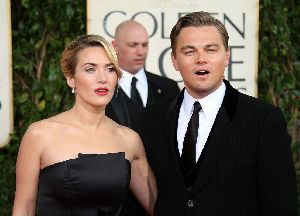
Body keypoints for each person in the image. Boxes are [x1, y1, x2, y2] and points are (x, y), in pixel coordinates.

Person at [143, 11, 297, 215]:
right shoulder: (153, 119)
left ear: (227, 56)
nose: (201, 59)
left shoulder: (263, 119)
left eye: (211, 50)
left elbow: (281, 206)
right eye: (189, 51)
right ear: (174, 60)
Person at [12, 34, 157, 216]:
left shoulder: (129, 139)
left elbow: (159, 207)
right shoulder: (40, 134)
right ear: (71, 79)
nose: (102, 78)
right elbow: (23, 209)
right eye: (90, 69)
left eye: (110, 69)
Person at [106, 20, 180, 215]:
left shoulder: (169, 88)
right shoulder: (102, 92)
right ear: (115, 46)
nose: (141, 52)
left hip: (166, 196)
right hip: (118, 203)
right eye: (133, 45)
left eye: (144, 45)